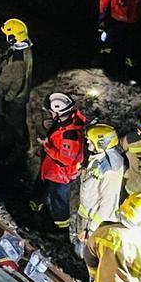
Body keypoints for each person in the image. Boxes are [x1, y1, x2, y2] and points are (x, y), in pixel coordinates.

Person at [30, 92, 86, 232]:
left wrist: (46, 145)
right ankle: (35, 208)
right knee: (40, 188)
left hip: (60, 175)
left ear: (58, 112)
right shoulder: (63, 122)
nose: (49, 113)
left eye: (51, 111)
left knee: (59, 202)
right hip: (50, 168)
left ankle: (61, 229)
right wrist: (49, 126)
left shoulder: (70, 135)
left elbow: (65, 160)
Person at [75, 124, 126, 253]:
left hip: (96, 224)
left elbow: (108, 203)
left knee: (91, 254)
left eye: (90, 140)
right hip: (87, 216)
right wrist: (83, 172)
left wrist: (91, 230)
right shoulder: (100, 158)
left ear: (102, 143)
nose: (87, 142)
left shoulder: (110, 168)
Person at [0, 18, 33, 145]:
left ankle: (20, 147)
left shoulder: (18, 60)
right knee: (18, 121)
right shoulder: (23, 48)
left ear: (13, 38)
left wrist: (7, 98)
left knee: (14, 124)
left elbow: (17, 84)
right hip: (18, 97)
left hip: (15, 100)